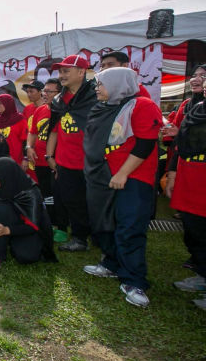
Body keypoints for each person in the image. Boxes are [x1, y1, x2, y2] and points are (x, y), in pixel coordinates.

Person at [82, 68, 161, 308]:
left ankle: (134, 280)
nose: (97, 89)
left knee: (129, 227)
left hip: (132, 177)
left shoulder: (142, 106)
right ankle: (111, 263)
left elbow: (146, 144)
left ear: (117, 84)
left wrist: (123, 173)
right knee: (105, 222)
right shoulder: (103, 108)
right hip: (103, 176)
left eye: (101, 84)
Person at [45, 55, 98, 252]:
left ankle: (100, 236)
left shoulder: (96, 95)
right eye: (60, 71)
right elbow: (53, 130)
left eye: (66, 71)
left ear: (81, 72)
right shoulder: (58, 100)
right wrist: (50, 156)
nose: (62, 75)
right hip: (65, 161)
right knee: (72, 201)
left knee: (96, 202)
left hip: (92, 161)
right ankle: (79, 238)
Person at [165, 81, 206, 310]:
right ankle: (202, 275)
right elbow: (181, 145)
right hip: (190, 174)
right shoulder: (197, 108)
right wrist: (172, 173)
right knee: (193, 229)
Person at [0, 157, 57, 269]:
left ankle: (12, 241)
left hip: (26, 228)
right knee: (3, 208)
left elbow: (33, 226)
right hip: (6, 221)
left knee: (27, 257)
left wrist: (7, 230)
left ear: (6, 176)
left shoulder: (30, 193)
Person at [25, 78, 68, 241]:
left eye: (49, 91)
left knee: (60, 193)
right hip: (39, 160)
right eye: (44, 91)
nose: (45, 94)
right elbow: (32, 132)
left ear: (60, 93)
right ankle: (50, 223)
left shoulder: (63, 111)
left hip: (57, 161)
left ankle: (62, 226)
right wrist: (29, 147)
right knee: (46, 194)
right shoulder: (40, 110)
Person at [0, 93, 28, 164]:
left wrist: (25, 158)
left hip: (13, 160)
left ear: (9, 104)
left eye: (1, 103)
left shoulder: (19, 119)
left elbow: (25, 140)